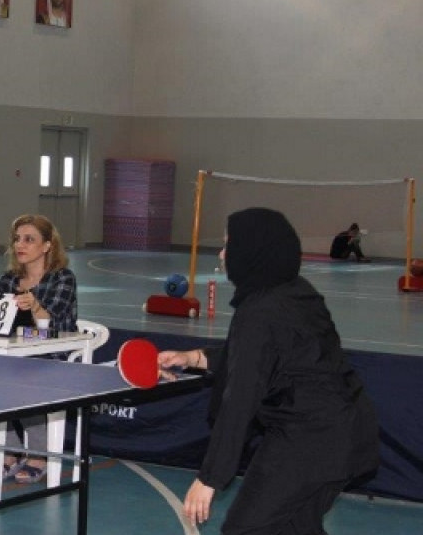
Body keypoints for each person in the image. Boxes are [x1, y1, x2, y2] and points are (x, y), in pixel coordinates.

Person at [158, 207, 378, 534]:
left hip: (308, 441)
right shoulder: (295, 289)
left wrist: (210, 477)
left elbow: (242, 395)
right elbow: (263, 356)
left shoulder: (259, 310)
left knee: (246, 529)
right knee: (297, 526)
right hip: (350, 432)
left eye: (230, 246)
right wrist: (191, 358)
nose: (221, 254)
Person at [0, 214, 78, 484]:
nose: (20, 244)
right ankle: (9, 449)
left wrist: (36, 306)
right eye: (17, 239)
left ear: (47, 246)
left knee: (27, 376)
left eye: (29, 239)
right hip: (15, 352)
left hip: (54, 351)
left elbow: (50, 325)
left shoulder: (62, 278)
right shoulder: (8, 280)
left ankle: (39, 454)